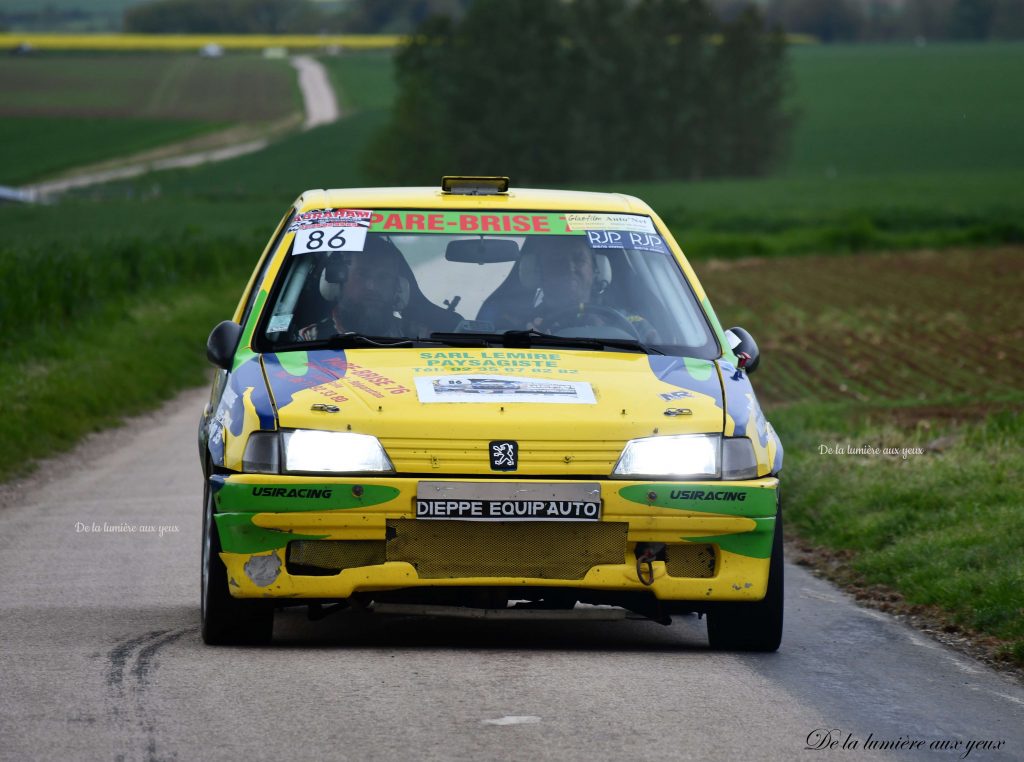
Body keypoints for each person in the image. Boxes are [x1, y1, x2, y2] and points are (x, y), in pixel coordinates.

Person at [295, 238, 411, 340]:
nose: (372, 286)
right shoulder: (308, 339)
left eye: (383, 277)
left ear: (398, 287)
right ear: (338, 280)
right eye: (362, 274)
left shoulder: (418, 337)